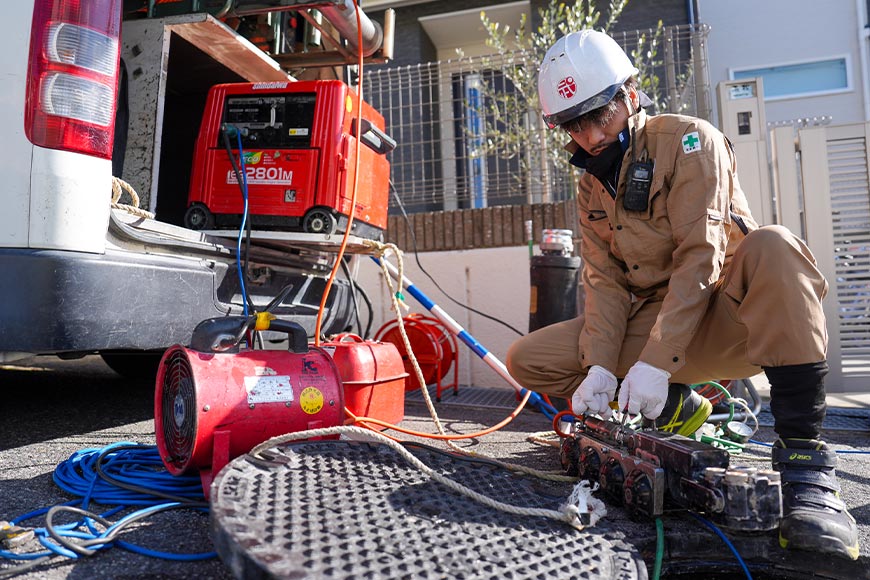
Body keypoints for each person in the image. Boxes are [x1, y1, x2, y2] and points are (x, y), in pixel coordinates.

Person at [506, 29, 859, 560]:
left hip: (724, 318)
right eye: (573, 124)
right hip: (655, 329)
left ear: (629, 95)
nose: (589, 136)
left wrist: (653, 360)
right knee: (529, 357)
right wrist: (601, 366)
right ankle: (675, 408)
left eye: (598, 116)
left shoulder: (691, 142)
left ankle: (808, 470)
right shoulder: (589, 185)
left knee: (777, 246)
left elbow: (702, 258)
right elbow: (604, 281)